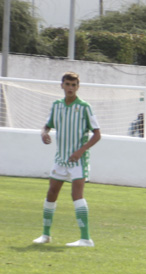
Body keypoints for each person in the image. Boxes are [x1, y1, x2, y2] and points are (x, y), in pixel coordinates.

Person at [34, 72, 101, 248]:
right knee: (51, 193)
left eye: (73, 84)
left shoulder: (85, 107)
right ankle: (45, 235)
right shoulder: (56, 106)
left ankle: (86, 238)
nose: (70, 88)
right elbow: (47, 125)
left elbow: (97, 134)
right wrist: (44, 133)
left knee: (76, 195)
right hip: (60, 159)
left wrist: (81, 151)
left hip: (78, 160)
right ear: (62, 85)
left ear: (78, 87)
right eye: (67, 84)